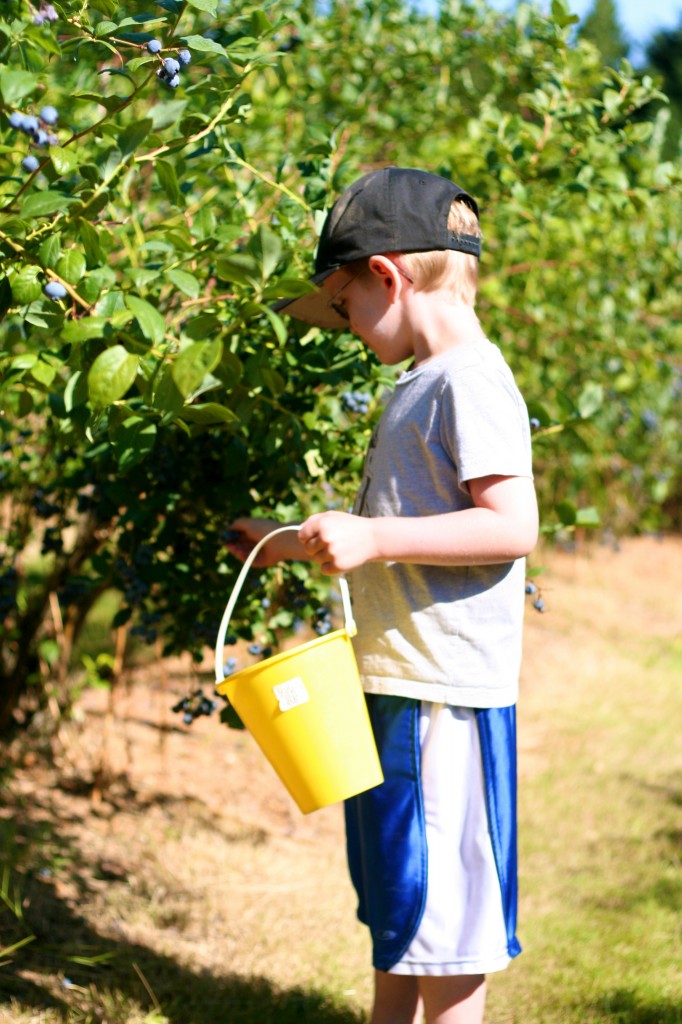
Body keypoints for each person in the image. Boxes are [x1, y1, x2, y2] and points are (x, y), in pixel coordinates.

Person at [226, 167, 538, 1024]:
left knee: (449, 937)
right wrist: (287, 540)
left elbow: (512, 526)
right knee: (402, 915)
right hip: (397, 687)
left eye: (342, 305)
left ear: (388, 275)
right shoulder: (421, 385)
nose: (345, 326)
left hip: (446, 700)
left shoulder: (468, 381)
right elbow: (383, 527)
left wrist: (372, 539)